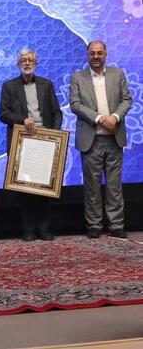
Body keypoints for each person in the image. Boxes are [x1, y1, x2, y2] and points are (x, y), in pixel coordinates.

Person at [69, 40, 132, 239]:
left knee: (114, 185)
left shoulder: (117, 74)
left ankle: (116, 225)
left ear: (106, 54)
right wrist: (99, 118)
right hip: (91, 139)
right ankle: (94, 224)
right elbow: (75, 104)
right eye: (92, 53)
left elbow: (126, 100)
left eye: (99, 53)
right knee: (92, 185)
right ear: (87, 55)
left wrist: (115, 117)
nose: (96, 57)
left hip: (114, 138)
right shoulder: (77, 77)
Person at [0, 48, 62, 241]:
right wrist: (23, 119)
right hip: (22, 141)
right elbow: (4, 114)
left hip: (45, 142)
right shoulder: (9, 86)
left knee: (44, 187)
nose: (27, 63)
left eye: (30, 60)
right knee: (25, 188)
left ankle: (43, 228)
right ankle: (28, 229)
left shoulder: (46, 84)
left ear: (36, 63)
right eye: (23, 60)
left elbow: (57, 112)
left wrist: (54, 135)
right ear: (18, 64)